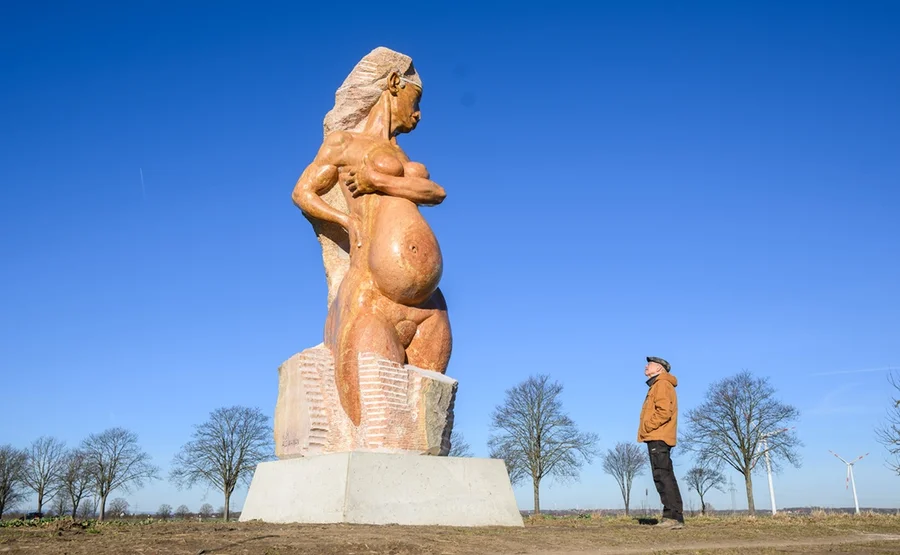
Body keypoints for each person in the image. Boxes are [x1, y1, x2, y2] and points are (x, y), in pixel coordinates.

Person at [292, 48, 452, 426]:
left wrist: (376, 180)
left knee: (424, 426)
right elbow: (302, 192)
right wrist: (345, 221)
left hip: (429, 305)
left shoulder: (401, 154)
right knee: (379, 422)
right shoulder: (344, 144)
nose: (419, 113)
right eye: (417, 100)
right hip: (372, 296)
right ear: (395, 84)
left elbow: (437, 193)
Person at [638, 356, 684, 529]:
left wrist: (648, 426)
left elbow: (664, 411)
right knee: (665, 475)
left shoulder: (662, 384)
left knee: (661, 476)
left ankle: (672, 517)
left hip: (658, 435)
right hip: (658, 435)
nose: (645, 366)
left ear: (659, 369)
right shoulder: (659, 384)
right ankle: (675, 517)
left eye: (649, 364)